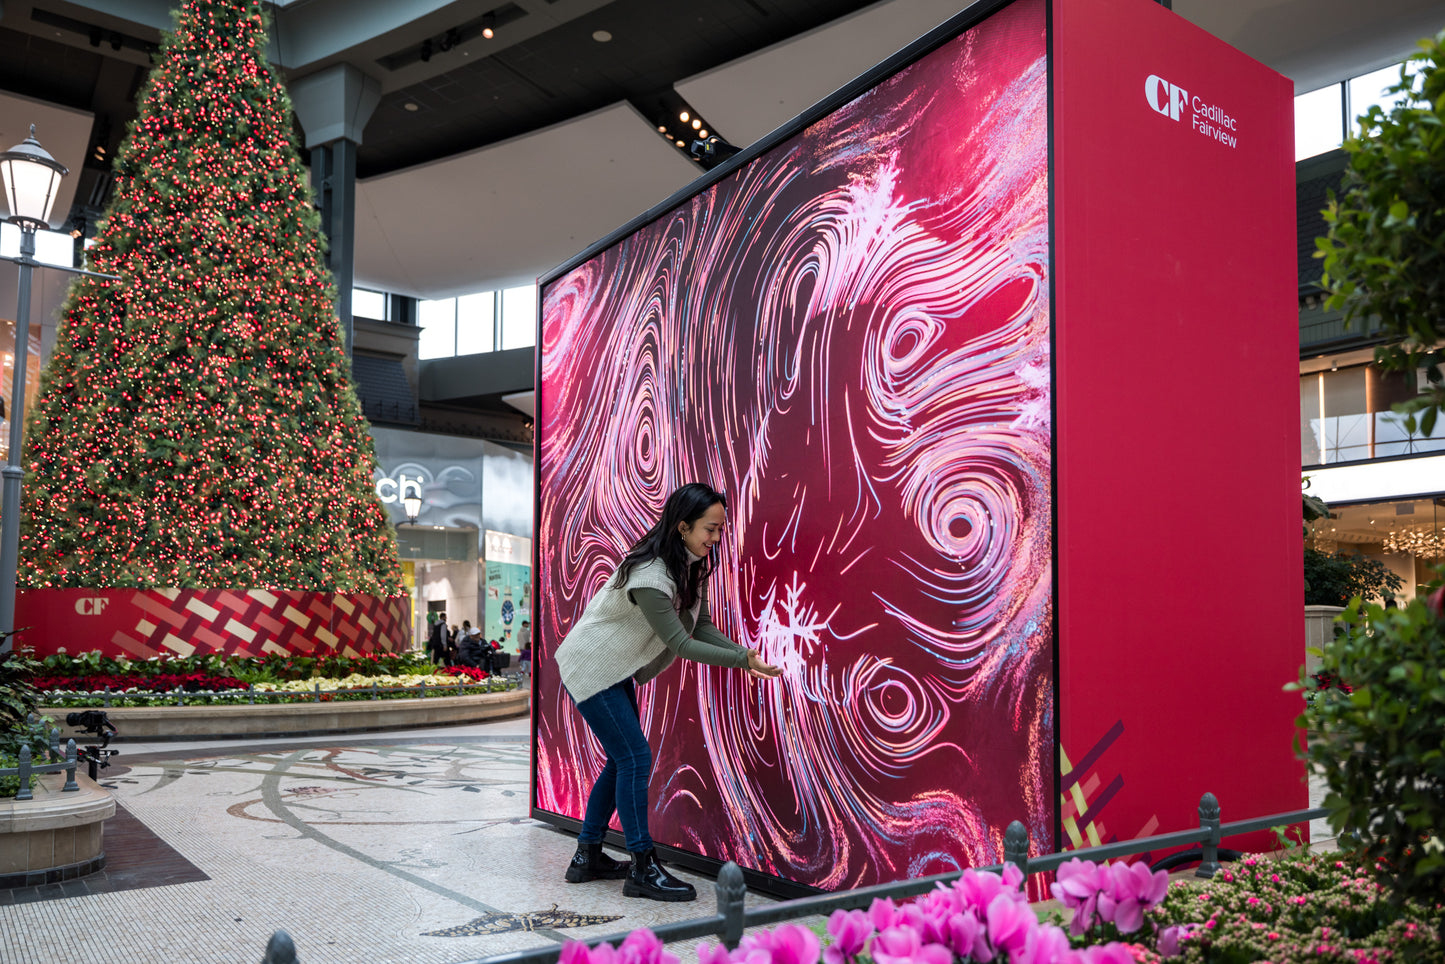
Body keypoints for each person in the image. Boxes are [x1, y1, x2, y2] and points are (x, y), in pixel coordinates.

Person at [553, 482, 782, 902]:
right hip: (590, 666)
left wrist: (746, 655)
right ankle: (642, 866)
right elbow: (681, 644)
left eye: (720, 529)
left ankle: (587, 856)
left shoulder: (691, 563)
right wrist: (741, 662)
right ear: (682, 526)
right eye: (710, 529)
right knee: (634, 758)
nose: (716, 538)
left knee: (621, 760)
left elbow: (701, 626)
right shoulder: (652, 575)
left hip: (615, 668)